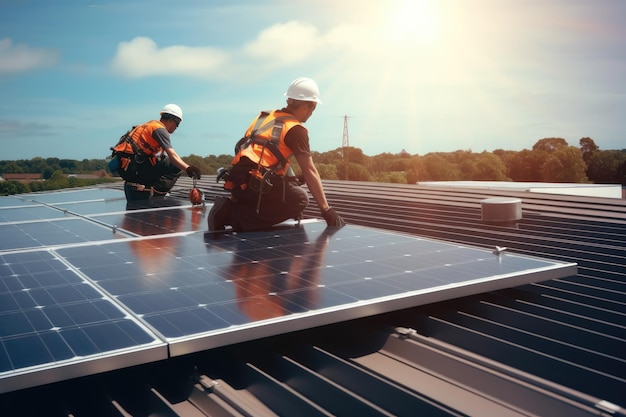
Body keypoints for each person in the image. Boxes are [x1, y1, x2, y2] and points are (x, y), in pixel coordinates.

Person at [208, 77, 345, 232]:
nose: (311, 114)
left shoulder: (266, 116)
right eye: (313, 109)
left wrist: (291, 181)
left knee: (289, 188)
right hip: (256, 186)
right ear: (307, 106)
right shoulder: (295, 129)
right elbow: (310, 170)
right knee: (299, 199)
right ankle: (232, 216)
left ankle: (228, 206)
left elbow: (263, 155)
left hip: (239, 180)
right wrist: (327, 210)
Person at [111, 104, 201, 201]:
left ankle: (148, 186)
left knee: (162, 162)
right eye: (177, 124)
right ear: (171, 120)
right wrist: (188, 168)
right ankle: (153, 191)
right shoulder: (160, 130)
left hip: (128, 168)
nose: (176, 128)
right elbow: (172, 155)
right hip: (135, 168)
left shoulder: (149, 126)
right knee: (175, 166)